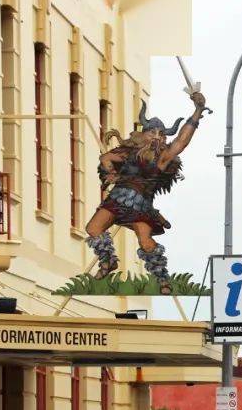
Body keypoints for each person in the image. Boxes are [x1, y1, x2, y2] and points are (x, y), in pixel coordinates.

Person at [83, 91, 207, 295]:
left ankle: (163, 280)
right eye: (152, 133)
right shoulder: (128, 152)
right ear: (142, 135)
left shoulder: (162, 158)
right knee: (93, 228)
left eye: (161, 135)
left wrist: (197, 111)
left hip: (140, 205)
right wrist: (110, 173)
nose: (157, 137)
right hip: (117, 199)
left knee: (146, 242)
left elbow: (181, 142)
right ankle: (108, 261)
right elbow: (106, 158)